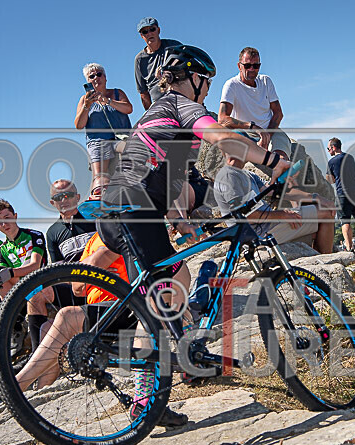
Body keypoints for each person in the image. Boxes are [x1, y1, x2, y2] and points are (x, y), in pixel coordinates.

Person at [96, 44, 292, 352]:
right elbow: (224, 138)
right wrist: (273, 162)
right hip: (134, 211)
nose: (207, 90)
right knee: (169, 290)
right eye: (206, 81)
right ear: (191, 78)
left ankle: (172, 365)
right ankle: (145, 391)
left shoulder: (157, 115)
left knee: (160, 294)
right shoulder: (181, 105)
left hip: (117, 211)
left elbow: (170, 174)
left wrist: (179, 219)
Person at [0, 232, 188, 427]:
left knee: (149, 311)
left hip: (134, 301)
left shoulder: (124, 234)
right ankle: (16, 386)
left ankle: (146, 400)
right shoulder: (94, 241)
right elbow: (77, 288)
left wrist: (99, 265)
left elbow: (171, 270)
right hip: (106, 308)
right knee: (65, 317)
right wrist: (100, 263)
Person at [0, 199, 54, 379]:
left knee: (12, 278)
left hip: (40, 288)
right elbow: (3, 280)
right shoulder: (1, 251)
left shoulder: (34, 235)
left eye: (7, 218)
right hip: (14, 298)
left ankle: (35, 358)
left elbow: (35, 266)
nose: (5, 224)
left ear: (15, 216)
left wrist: (10, 273)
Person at [214, 157, 336, 254]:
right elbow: (246, 216)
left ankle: (321, 260)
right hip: (257, 235)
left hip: (268, 226)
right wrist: (282, 215)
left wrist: (315, 197)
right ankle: (326, 261)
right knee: (325, 214)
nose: (252, 150)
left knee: (316, 229)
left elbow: (274, 192)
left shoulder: (247, 174)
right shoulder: (229, 175)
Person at [218, 47, 291, 161]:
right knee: (235, 144)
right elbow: (222, 119)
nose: (252, 69)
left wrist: (266, 136)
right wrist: (252, 126)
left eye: (256, 66)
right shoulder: (231, 85)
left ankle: (282, 173)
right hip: (246, 133)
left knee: (280, 155)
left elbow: (278, 113)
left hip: (270, 131)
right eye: (247, 66)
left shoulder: (266, 81)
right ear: (239, 66)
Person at [74, 63, 132, 200]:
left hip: (121, 139)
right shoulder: (84, 100)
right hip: (98, 141)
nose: (96, 78)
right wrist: (87, 106)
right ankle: (97, 199)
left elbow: (128, 108)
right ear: (88, 81)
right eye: (91, 76)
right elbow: (79, 125)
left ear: (105, 78)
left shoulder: (117, 93)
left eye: (99, 74)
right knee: (100, 176)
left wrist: (108, 101)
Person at [134, 17, 182, 110]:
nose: (149, 34)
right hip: (159, 105)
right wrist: (150, 112)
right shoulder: (139, 60)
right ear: (141, 35)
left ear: (158, 30)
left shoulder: (174, 46)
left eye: (152, 29)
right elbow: (143, 93)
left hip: (181, 97)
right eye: (145, 32)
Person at [45, 179, 97, 263]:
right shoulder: (52, 233)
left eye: (68, 195)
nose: (63, 200)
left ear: (77, 197)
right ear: (52, 202)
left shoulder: (94, 219)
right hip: (74, 275)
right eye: (58, 197)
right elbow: (57, 269)